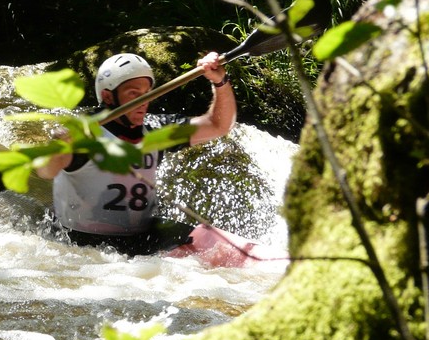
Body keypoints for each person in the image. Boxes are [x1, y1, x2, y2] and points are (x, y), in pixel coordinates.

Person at [35, 51, 276, 267]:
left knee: (213, 241)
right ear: (109, 98)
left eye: (147, 94)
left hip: (145, 235)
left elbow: (218, 125)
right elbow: (45, 172)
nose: (144, 102)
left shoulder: (156, 129)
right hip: (83, 244)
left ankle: (277, 264)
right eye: (133, 94)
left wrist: (220, 82)